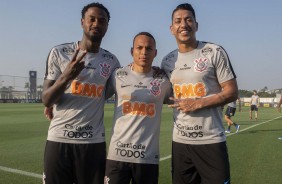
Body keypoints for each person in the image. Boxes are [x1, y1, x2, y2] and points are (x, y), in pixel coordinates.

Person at [42, 2, 120, 184]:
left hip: (92, 143)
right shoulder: (60, 52)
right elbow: (46, 99)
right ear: (82, 22)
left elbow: (110, 92)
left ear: (107, 26)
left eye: (102, 21)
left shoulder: (111, 61)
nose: (96, 24)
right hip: (59, 139)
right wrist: (67, 76)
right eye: (91, 19)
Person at [161, 3, 238, 184]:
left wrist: (197, 103)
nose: (184, 24)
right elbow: (165, 95)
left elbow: (232, 92)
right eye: (178, 21)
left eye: (189, 19)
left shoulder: (213, 51)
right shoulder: (167, 61)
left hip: (211, 141)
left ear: (196, 25)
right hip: (180, 143)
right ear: (171, 29)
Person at [104, 32, 171, 184]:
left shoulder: (164, 80)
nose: (143, 52)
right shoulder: (117, 75)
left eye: (148, 49)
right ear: (131, 51)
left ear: (155, 53)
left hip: (147, 158)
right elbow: (95, 97)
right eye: (139, 48)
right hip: (117, 155)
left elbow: (180, 97)